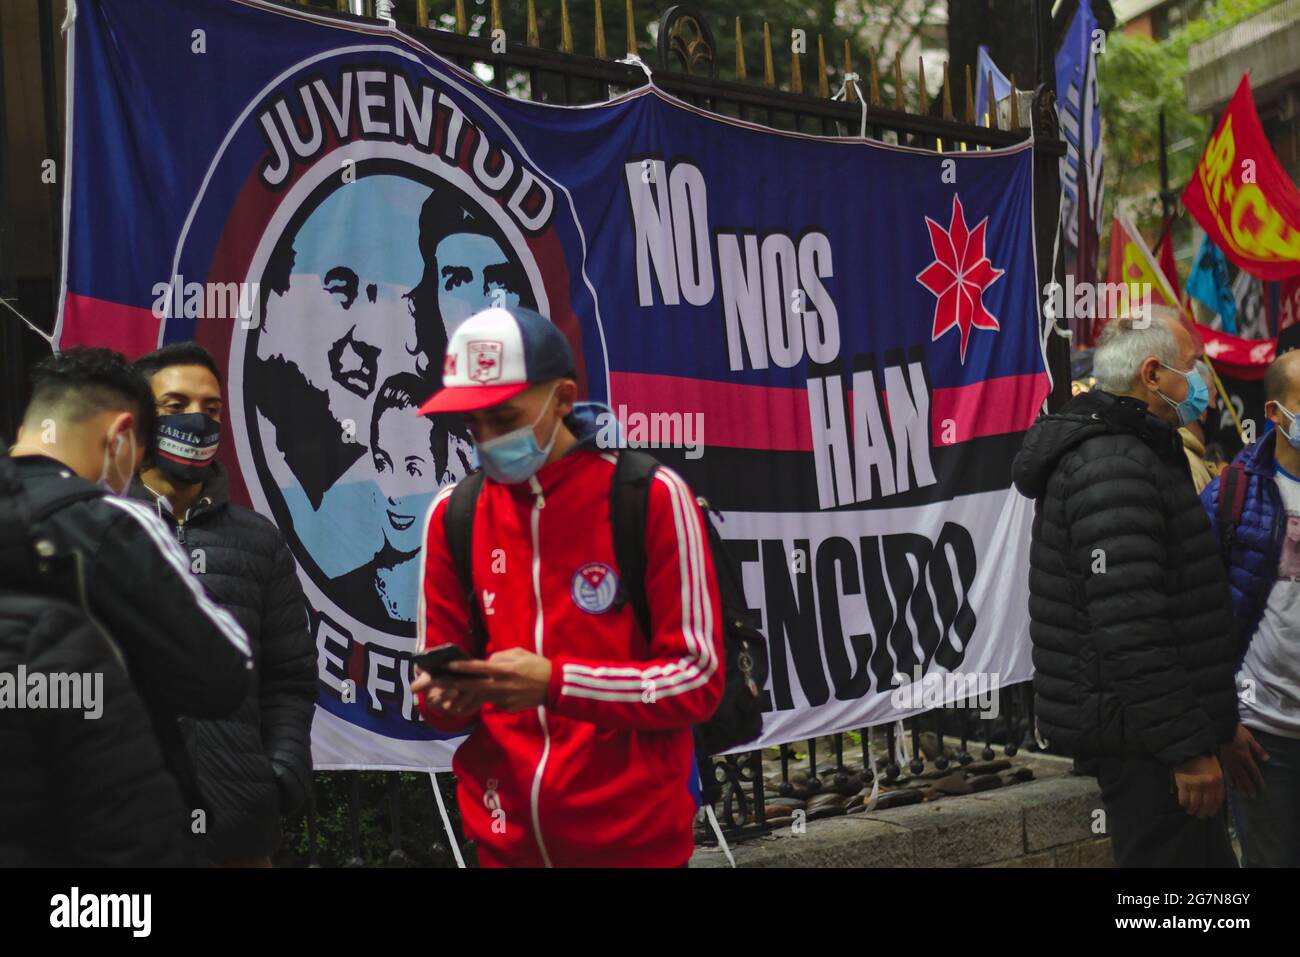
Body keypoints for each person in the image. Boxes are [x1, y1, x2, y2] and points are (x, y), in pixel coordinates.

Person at [410, 306, 724, 867]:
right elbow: (442, 696)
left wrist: (557, 683)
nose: (486, 438)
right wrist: (442, 699)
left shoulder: (650, 496)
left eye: (504, 418)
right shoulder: (450, 517)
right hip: (504, 847)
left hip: (635, 848)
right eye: (472, 423)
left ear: (563, 398)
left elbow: (697, 679)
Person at [3, 347, 252, 861]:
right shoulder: (114, 523)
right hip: (99, 822)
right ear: (120, 437)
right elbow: (224, 673)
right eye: (137, 458)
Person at [1012, 313, 1238, 867]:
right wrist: (1187, 750)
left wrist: (1219, 729)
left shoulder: (1140, 450)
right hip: (1146, 746)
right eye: (1195, 367)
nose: (1204, 381)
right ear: (1154, 374)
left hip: (1162, 734)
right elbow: (1131, 630)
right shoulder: (1113, 464)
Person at [130, 342, 317, 867]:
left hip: (236, 831)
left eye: (210, 409)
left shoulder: (259, 542)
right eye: (175, 406)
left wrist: (277, 777)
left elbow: (289, 680)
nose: (196, 421)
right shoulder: (97, 527)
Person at [1203, 349, 1300, 866]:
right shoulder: (1233, 496)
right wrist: (1225, 725)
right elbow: (1198, 621)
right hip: (1266, 743)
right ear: (1274, 413)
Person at [332, 371, 475, 626]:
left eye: (413, 468)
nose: (394, 494)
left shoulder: (474, 593)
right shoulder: (341, 593)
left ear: (444, 477)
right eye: (383, 464)